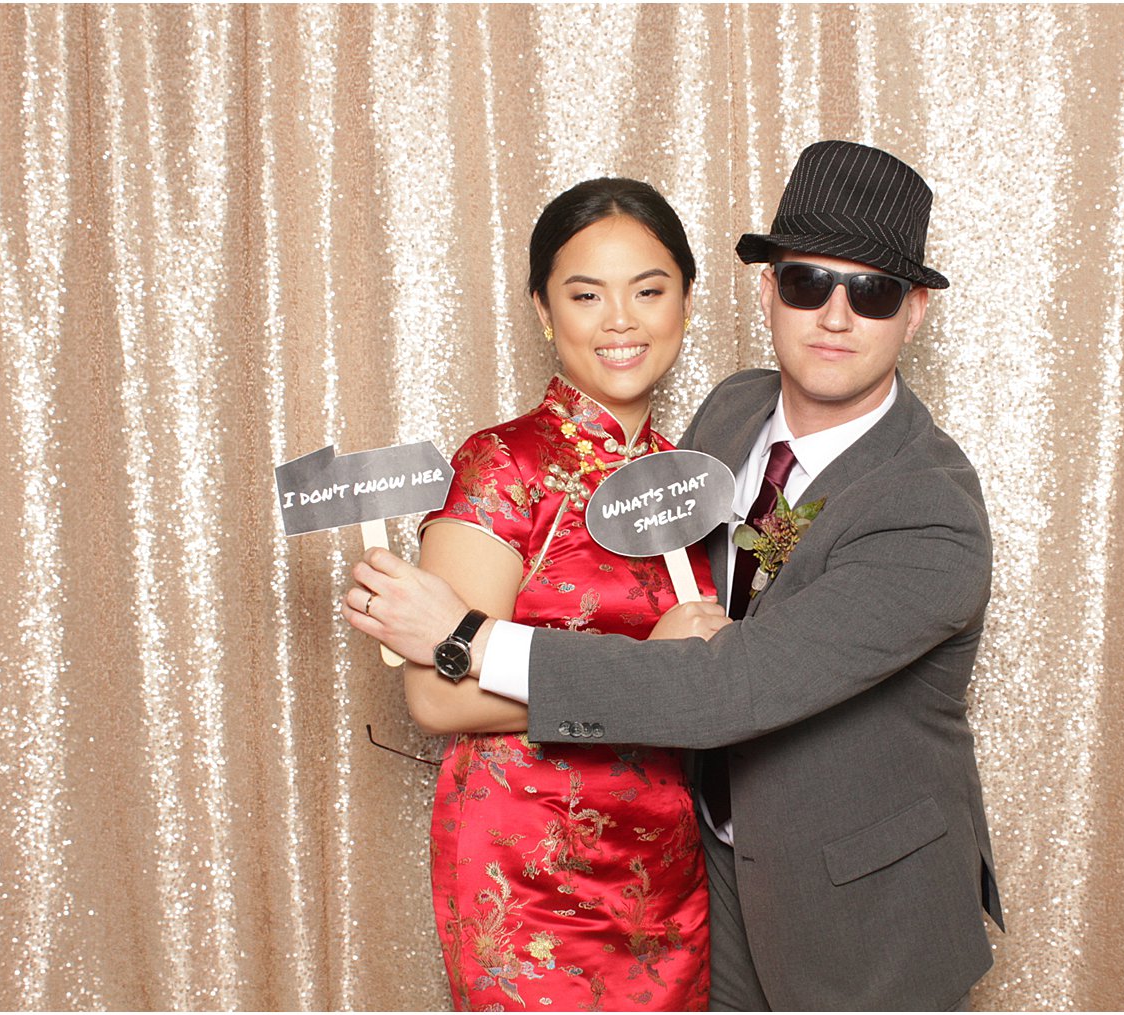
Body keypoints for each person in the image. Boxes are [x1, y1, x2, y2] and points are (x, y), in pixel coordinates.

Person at [348, 142, 1003, 1011]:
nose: (835, 317)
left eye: (873, 291)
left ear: (914, 312)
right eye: (809, 282)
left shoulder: (929, 510)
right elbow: (733, 583)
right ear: (767, 290)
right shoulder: (731, 416)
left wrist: (466, 638)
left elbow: (734, 682)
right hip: (705, 884)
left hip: (858, 918)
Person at [392, 178, 714, 1011]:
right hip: (527, 874)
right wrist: (653, 670)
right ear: (543, 311)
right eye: (585, 294)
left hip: (667, 874)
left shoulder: (697, 481)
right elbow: (435, 693)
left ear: (686, 300)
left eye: (649, 290)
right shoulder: (503, 465)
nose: (621, 320)